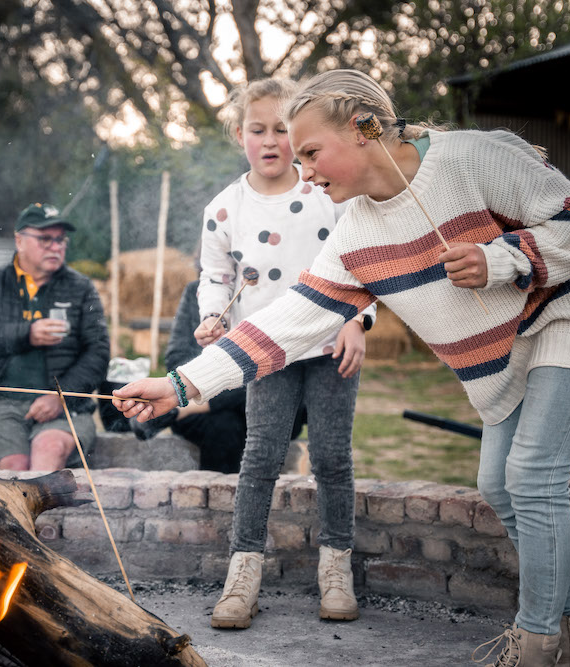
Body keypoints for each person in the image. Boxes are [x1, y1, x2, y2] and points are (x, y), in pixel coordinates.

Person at [113, 69, 570, 666]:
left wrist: (504, 257)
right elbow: (288, 322)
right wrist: (179, 383)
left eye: (312, 151)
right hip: (512, 341)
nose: (304, 169)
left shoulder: (471, 158)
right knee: (499, 484)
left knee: (532, 474)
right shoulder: (357, 234)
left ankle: (537, 643)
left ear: (364, 129)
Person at [158, 77, 380, 631]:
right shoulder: (224, 208)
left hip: (331, 345)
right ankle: (243, 574)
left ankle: (336, 569)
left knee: (331, 458)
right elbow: (215, 276)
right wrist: (213, 314)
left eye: (283, 129)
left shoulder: (326, 192)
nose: (272, 140)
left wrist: (361, 320)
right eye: (258, 129)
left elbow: (366, 260)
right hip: (266, 349)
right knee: (260, 458)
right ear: (240, 135)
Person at [0, 203, 109, 472]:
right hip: (0, 402)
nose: (56, 247)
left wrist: (60, 397)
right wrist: (27, 334)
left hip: (65, 405)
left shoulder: (81, 288)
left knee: (49, 450)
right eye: (45, 239)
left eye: (60, 240)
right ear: (19, 240)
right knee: (12, 467)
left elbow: (98, 352)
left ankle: (45, 516)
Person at [128, 278, 306, 473]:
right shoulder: (196, 291)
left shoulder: (281, 291)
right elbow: (176, 358)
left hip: (273, 404)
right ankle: (215, 498)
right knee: (224, 426)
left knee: (262, 386)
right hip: (210, 406)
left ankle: (179, 409)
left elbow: (285, 368)